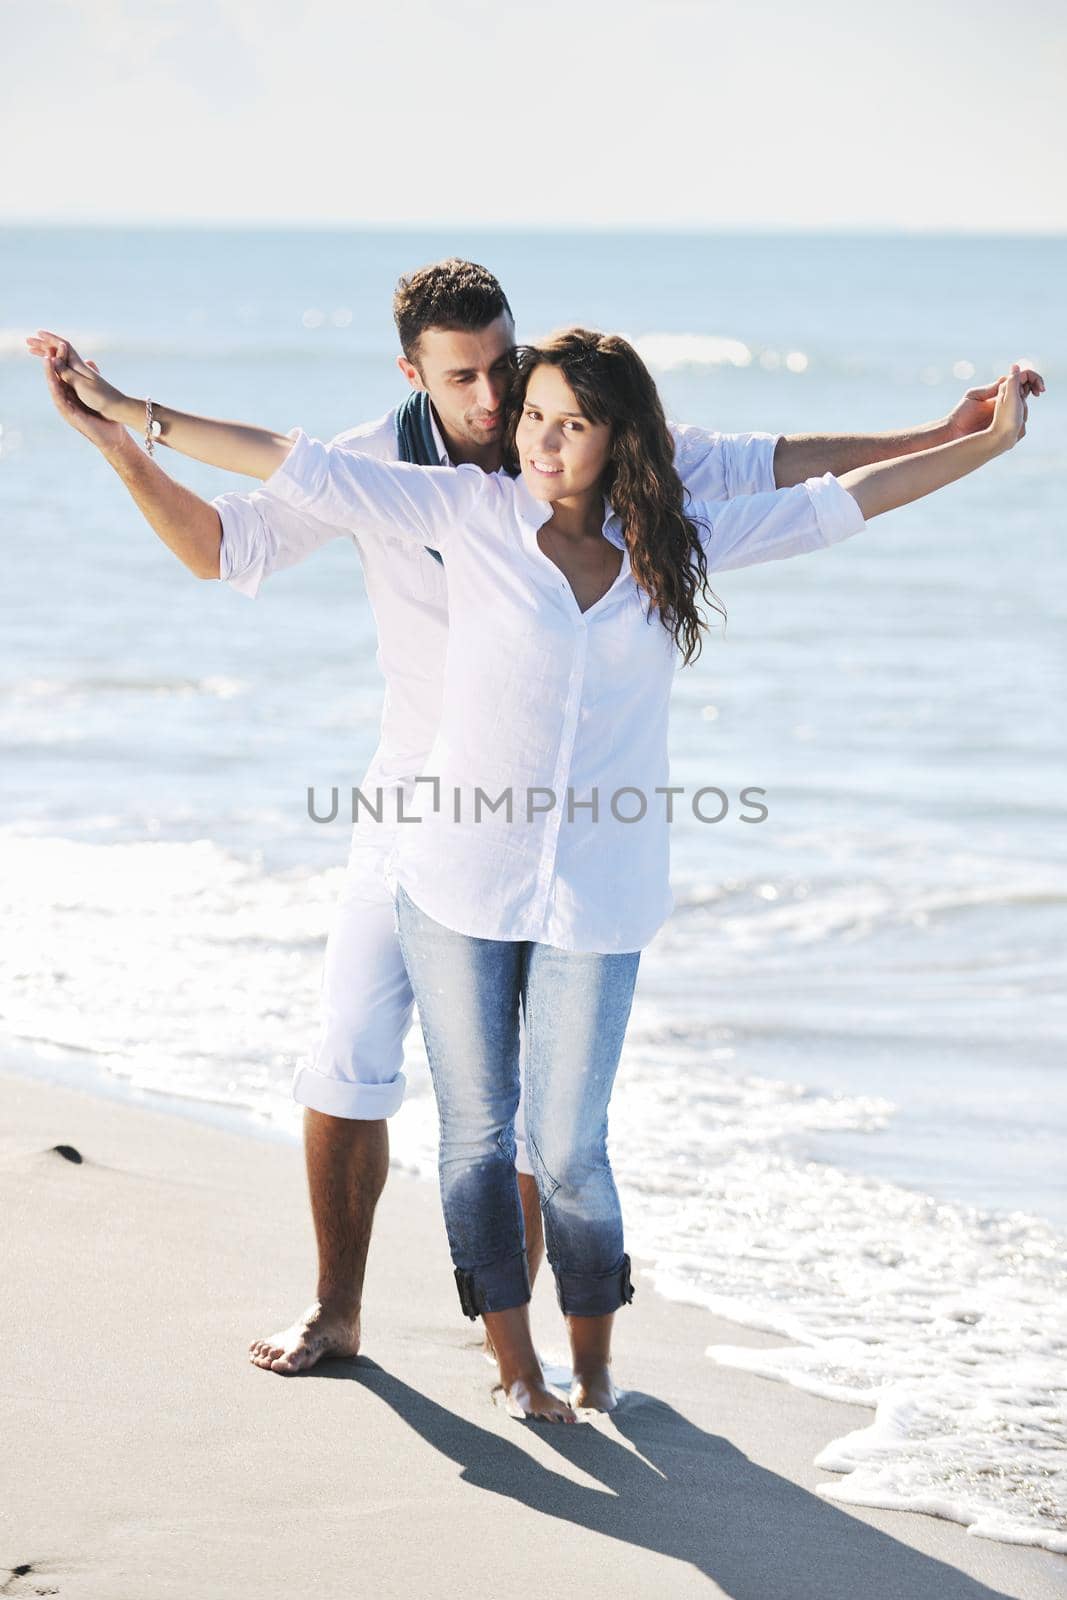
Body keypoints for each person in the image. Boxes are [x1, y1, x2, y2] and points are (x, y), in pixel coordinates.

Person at [30, 263, 1042, 1387]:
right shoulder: (406, 478)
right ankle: (342, 1306)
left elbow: (790, 478)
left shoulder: (601, 458)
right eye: (464, 377)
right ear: (411, 372)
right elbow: (236, 535)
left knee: (543, 1125)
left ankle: (509, 1325)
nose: (492, 398)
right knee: (358, 1052)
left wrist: (952, 435)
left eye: (502, 368)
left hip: (572, 833)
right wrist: (124, 433)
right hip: (419, 799)